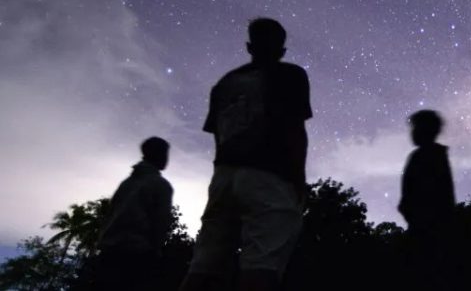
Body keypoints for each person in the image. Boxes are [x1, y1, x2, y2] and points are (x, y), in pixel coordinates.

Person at [181, 18, 312, 291]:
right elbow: (294, 129)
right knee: (262, 265)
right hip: (269, 177)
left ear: (249, 46)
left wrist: (221, 175)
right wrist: (299, 180)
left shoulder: (225, 83)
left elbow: (218, 136)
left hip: (224, 177)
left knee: (205, 265)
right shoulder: (291, 75)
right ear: (282, 49)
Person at [94, 136, 173, 291]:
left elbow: (110, 214)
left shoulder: (127, 183)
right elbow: (161, 223)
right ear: (158, 154)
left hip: (108, 254)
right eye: (165, 153)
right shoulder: (161, 185)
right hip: (136, 255)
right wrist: (156, 252)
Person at [398, 110, 456, 291]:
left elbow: (441, 197)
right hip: (427, 229)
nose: (412, 132)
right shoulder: (432, 156)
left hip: (427, 231)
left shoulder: (427, 157)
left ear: (425, 130)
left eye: (415, 128)